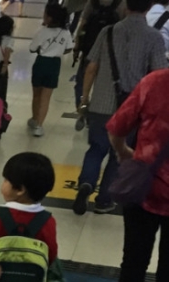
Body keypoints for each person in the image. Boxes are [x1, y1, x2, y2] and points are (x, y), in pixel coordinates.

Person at [74, 0, 168, 216]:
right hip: (132, 109)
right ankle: (104, 200)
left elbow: (91, 67)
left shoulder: (107, 32)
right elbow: (159, 76)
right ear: (148, 8)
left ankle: (86, 184)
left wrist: (84, 98)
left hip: (101, 103)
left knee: (96, 149)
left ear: (125, 7)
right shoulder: (154, 37)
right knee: (119, 154)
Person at [107, 68, 169, 282]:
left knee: (133, 262)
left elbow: (117, 127)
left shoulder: (155, 82)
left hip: (144, 189)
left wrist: (124, 153)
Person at [0, 152, 58, 264]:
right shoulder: (48, 221)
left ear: (20, 190)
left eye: (6, 180)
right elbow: (51, 255)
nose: (3, 183)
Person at [72, 0, 124, 131]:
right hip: (112, 52)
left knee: (82, 82)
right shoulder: (121, 4)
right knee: (104, 85)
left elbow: (82, 25)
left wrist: (77, 46)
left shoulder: (92, 2)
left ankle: (83, 111)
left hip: (89, 50)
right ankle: (100, 115)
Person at [28, 3, 74, 137]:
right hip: (54, 64)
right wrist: (58, 51)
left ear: (49, 17)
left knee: (36, 94)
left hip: (41, 62)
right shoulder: (65, 33)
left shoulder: (41, 31)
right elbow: (69, 48)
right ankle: (39, 126)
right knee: (46, 97)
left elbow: (32, 48)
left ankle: (34, 119)